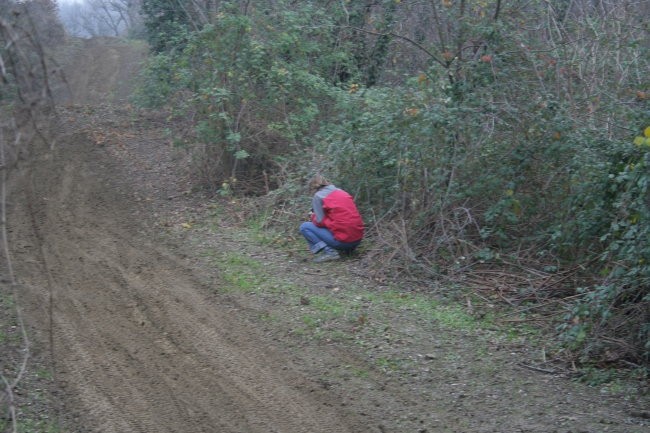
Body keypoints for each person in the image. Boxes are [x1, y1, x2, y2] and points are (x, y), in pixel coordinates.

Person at [299, 174, 364, 262]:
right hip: (357, 240)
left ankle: (329, 252)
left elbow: (319, 221)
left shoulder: (318, 196)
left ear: (313, 188)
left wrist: (312, 216)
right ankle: (348, 251)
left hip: (344, 242)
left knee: (305, 227)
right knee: (343, 222)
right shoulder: (341, 191)